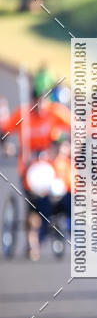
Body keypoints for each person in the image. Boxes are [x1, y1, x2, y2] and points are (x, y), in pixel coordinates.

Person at [1, 82, 71, 259]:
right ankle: (33, 244)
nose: (40, 106)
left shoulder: (55, 113)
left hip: (52, 169)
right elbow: (5, 130)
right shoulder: (23, 115)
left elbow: (76, 127)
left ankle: (56, 226)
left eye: (43, 101)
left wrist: (69, 145)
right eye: (37, 101)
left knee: (58, 198)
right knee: (33, 207)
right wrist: (6, 143)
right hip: (29, 170)